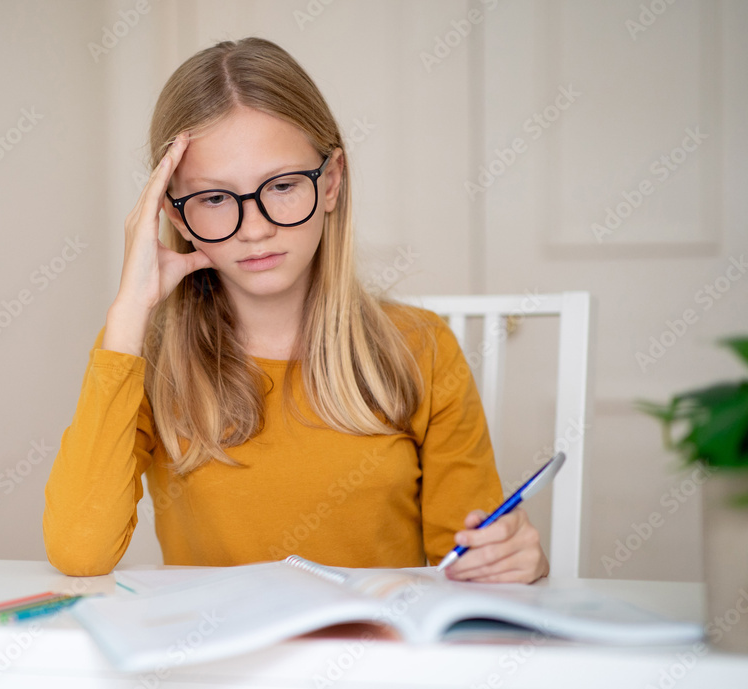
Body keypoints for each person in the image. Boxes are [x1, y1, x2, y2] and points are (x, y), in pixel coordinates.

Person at [43, 37, 549, 584]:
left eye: (282, 186)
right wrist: (128, 310)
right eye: (214, 198)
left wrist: (515, 562)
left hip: (375, 666)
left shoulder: (422, 350)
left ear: (330, 182)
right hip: (222, 668)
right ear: (176, 215)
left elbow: (470, 568)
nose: (256, 227)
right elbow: (79, 550)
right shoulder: (145, 353)